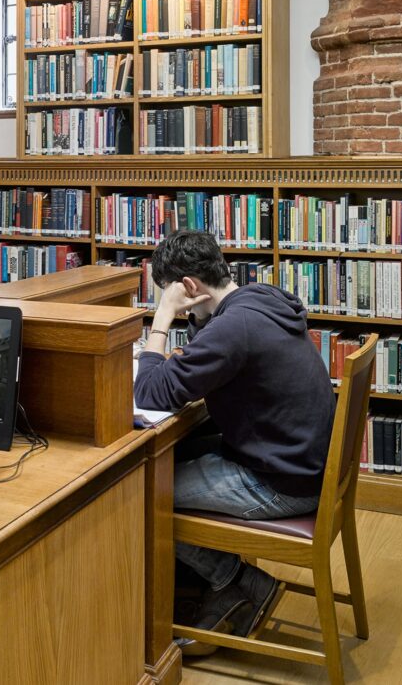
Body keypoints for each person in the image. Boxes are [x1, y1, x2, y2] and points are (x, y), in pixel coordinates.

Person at [133, 229, 334, 655]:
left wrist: (162, 319)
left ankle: (235, 581)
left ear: (188, 287)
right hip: (297, 461)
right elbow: (204, 356)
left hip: (280, 483)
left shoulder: (234, 328)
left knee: (142, 492)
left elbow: (149, 392)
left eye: (166, 293)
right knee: (175, 456)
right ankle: (204, 587)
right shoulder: (258, 298)